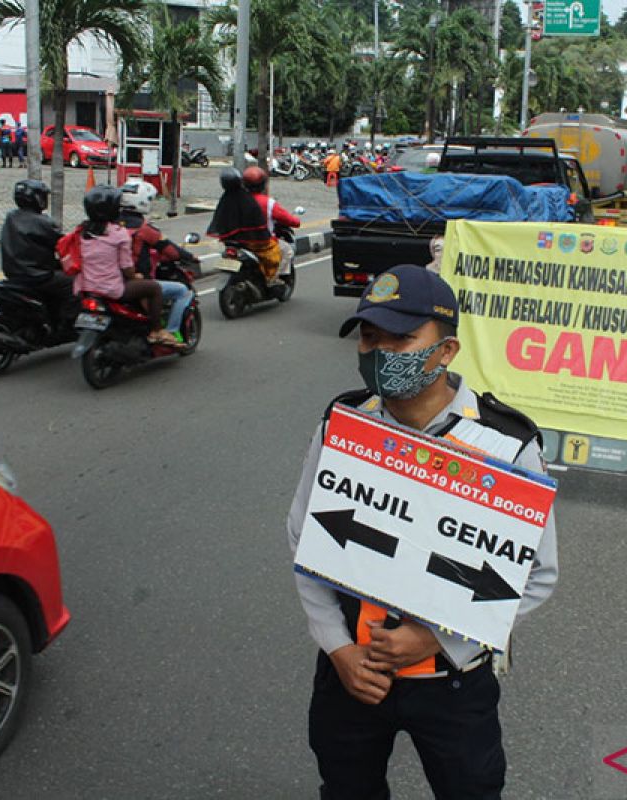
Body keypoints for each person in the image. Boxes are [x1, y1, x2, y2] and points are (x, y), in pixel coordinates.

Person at [287, 264, 559, 799]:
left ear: (447, 350)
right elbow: (304, 537)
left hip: (453, 685)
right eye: (369, 335)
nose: (380, 350)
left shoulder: (505, 444)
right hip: (350, 677)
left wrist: (438, 637)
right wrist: (338, 649)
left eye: (402, 337)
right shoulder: (343, 424)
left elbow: (535, 575)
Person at [73, 185, 183, 347]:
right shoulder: (118, 233)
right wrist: (135, 276)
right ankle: (157, 330)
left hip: (85, 287)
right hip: (111, 289)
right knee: (154, 288)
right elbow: (127, 267)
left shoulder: (81, 231)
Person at [117, 180, 195, 342]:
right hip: (134, 281)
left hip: (110, 279)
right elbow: (171, 251)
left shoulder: (109, 225)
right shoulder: (144, 229)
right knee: (182, 291)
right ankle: (170, 332)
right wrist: (189, 256)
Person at [0, 179, 74, 322]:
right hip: (37, 275)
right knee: (73, 283)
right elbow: (63, 244)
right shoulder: (43, 222)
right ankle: (67, 323)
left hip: (13, 273)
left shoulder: (11, 216)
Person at [207, 168, 285, 285]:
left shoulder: (225, 200)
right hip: (252, 241)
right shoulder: (248, 200)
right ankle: (270, 278)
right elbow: (258, 224)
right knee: (273, 252)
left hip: (231, 241)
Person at [242, 166, 301, 280]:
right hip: (262, 242)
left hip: (240, 241)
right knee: (287, 251)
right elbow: (288, 219)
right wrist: (296, 221)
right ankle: (274, 278)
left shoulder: (237, 200)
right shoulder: (268, 202)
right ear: (263, 184)